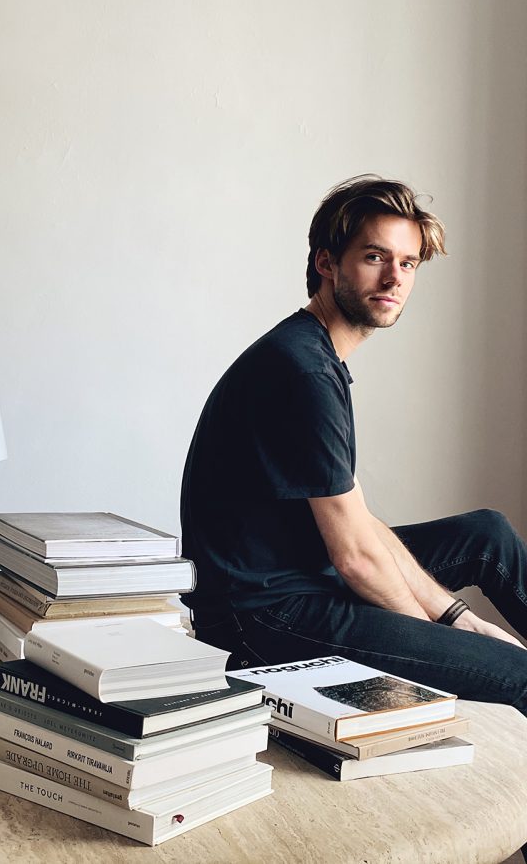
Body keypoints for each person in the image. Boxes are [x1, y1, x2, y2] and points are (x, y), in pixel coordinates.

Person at [180, 174, 527, 720]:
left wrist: (458, 617)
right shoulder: (303, 373)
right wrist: (445, 644)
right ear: (326, 263)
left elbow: (360, 523)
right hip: (261, 618)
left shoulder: (315, 355)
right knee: (517, 674)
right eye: (374, 256)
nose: (394, 278)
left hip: (304, 575)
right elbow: (356, 558)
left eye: (408, 263)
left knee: (487, 535)